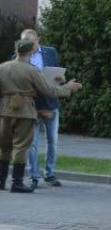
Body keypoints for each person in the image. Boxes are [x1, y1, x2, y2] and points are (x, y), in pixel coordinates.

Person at [0, 39, 82, 193]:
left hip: (4, 111)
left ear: (16, 51)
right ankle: (17, 183)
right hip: (24, 112)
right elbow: (49, 91)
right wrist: (67, 88)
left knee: (4, 147)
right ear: (31, 52)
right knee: (21, 147)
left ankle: (1, 181)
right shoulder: (32, 71)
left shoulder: (2, 68)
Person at [19, 29, 64, 188]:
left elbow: (58, 75)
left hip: (51, 103)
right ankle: (34, 176)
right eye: (25, 42)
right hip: (31, 106)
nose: (29, 46)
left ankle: (50, 173)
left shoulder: (50, 52)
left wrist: (61, 79)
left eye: (32, 42)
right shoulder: (18, 58)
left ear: (38, 40)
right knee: (32, 143)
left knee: (53, 140)